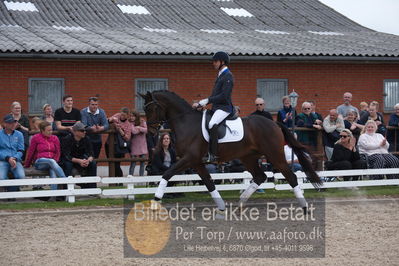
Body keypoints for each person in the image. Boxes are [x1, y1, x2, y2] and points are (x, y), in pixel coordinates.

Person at [194, 51, 235, 163]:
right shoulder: (220, 75)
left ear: (222, 62)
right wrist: (201, 104)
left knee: (212, 124)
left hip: (224, 108)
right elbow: (215, 95)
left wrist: (207, 100)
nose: (213, 63)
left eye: (215, 61)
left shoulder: (228, 76)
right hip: (217, 107)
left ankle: (214, 154)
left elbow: (224, 96)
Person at [24, 121, 66, 191]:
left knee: (53, 169)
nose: (51, 132)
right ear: (42, 131)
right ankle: (65, 181)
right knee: (51, 161)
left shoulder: (55, 138)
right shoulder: (36, 138)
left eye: (51, 130)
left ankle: (54, 193)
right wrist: (27, 164)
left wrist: (55, 161)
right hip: (39, 162)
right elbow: (31, 152)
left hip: (52, 163)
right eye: (48, 130)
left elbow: (58, 152)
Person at [60, 122, 97, 188]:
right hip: (70, 160)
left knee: (93, 163)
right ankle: (65, 188)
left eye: (85, 130)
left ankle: (92, 189)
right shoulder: (67, 139)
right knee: (68, 165)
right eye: (82, 131)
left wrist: (88, 160)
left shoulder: (86, 139)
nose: (84, 132)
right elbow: (66, 156)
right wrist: (79, 161)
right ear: (75, 132)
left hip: (81, 159)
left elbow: (91, 153)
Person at [0, 114, 25, 194]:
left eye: (14, 122)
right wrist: (8, 158)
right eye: (10, 123)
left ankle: (11, 192)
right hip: (3, 160)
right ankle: (10, 194)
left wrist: (14, 158)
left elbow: (21, 150)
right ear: (5, 124)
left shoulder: (19, 134)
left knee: (21, 177)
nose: (13, 124)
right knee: (1, 178)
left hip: (16, 160)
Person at [107, 107, 131, 177]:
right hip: (109, 142)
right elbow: (107, 121)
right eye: (121, 114)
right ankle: (113, 180)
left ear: (127, 116)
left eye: (124, 115)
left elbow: (127, 138)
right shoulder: (117, 115)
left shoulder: (128, 124)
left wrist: (120, 130)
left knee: (117, 164)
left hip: (119, 146)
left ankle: (119, 180)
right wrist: (110, 119)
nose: (122, 116)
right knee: (110, 162)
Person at [129, 110, 148, 176]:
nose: (131, 117)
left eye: (133, 116)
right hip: (134, 145)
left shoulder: (142, 121)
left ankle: (141, 178)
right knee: (133, 163)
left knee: (142, 163)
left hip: (142, 145)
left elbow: (146, 130)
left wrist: (139, 127)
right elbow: (133, 131)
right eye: (130, 116)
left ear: (136, 116)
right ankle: (130, 177)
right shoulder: (130, 123)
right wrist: (140, 129)